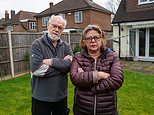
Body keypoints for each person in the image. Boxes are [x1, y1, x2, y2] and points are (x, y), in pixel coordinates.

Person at [70, 24, 124, 115]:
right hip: (82, 109)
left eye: (96, 37)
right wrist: (98, 75)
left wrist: (91, 86)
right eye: (89, 38)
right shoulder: (78, 57)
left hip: (107, 109)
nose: (93, 41)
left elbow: (117, 80)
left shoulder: (112, 56)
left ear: (102, 39)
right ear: (84, 41)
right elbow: (75, 78)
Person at [30, 15, 73, 115]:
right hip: (40, 97)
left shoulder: (66, 46)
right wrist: (62, 65)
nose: (56, 29)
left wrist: (51, 62)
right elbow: (37, 70)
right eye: (54, 26)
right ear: (48, 25)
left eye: (60, 28)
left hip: (61, 97)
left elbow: (70, 66)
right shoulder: (37, 44)